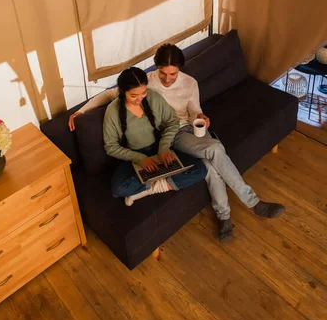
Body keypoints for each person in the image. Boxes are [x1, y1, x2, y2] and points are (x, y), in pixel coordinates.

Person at [69, 44, 285, 242]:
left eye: (172, 73)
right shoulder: (147, 82)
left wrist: (200, 117)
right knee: (215, 151)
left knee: (211, 162)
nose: (167, 78)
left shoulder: (190, 83)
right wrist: (80, 111)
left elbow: (193, 111)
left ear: (180, 69)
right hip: (171, 136)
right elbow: (110, 95)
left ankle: (228, 216)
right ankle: (246, 206)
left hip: (189, 130)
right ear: (156, 66)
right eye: (163, 72)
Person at [103, 67, 207, 205]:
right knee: (118, 189)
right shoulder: (112, 111)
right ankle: (162, 180)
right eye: (134, 95)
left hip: (160, 148)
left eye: (143, 93)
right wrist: (140, 159)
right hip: (134, 157)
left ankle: (150, 189)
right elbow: (111, 147)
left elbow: (172, 122)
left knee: (200, 169)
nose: (139, 99)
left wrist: (164, 148)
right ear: (122, 92)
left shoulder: (153, 98)